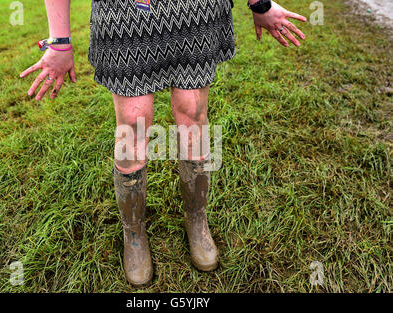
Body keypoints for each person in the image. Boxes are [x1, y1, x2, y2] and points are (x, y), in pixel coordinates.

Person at [20, 0, 306, 287]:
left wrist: (260, 4)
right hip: (123, 14)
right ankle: (133, 233)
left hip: (194, 12)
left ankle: (196, 220)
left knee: (192, 114)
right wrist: (58, 41)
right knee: (133, 124)